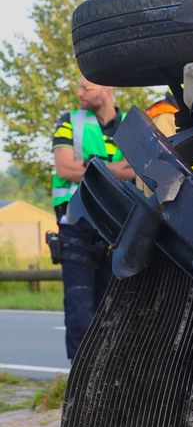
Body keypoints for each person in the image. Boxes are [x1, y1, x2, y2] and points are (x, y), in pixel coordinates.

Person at [50, 76, 136, 359]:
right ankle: (79, 380)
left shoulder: (130, 126)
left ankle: (105, 382)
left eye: (86, 87)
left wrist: (89, 164)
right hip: (76, 224)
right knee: (79, 308)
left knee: (112, 308)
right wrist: (113, 168)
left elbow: (133, 170)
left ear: (108, 89)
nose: (79, 92)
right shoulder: (69, 121)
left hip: (114, 225)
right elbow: (64, 167)